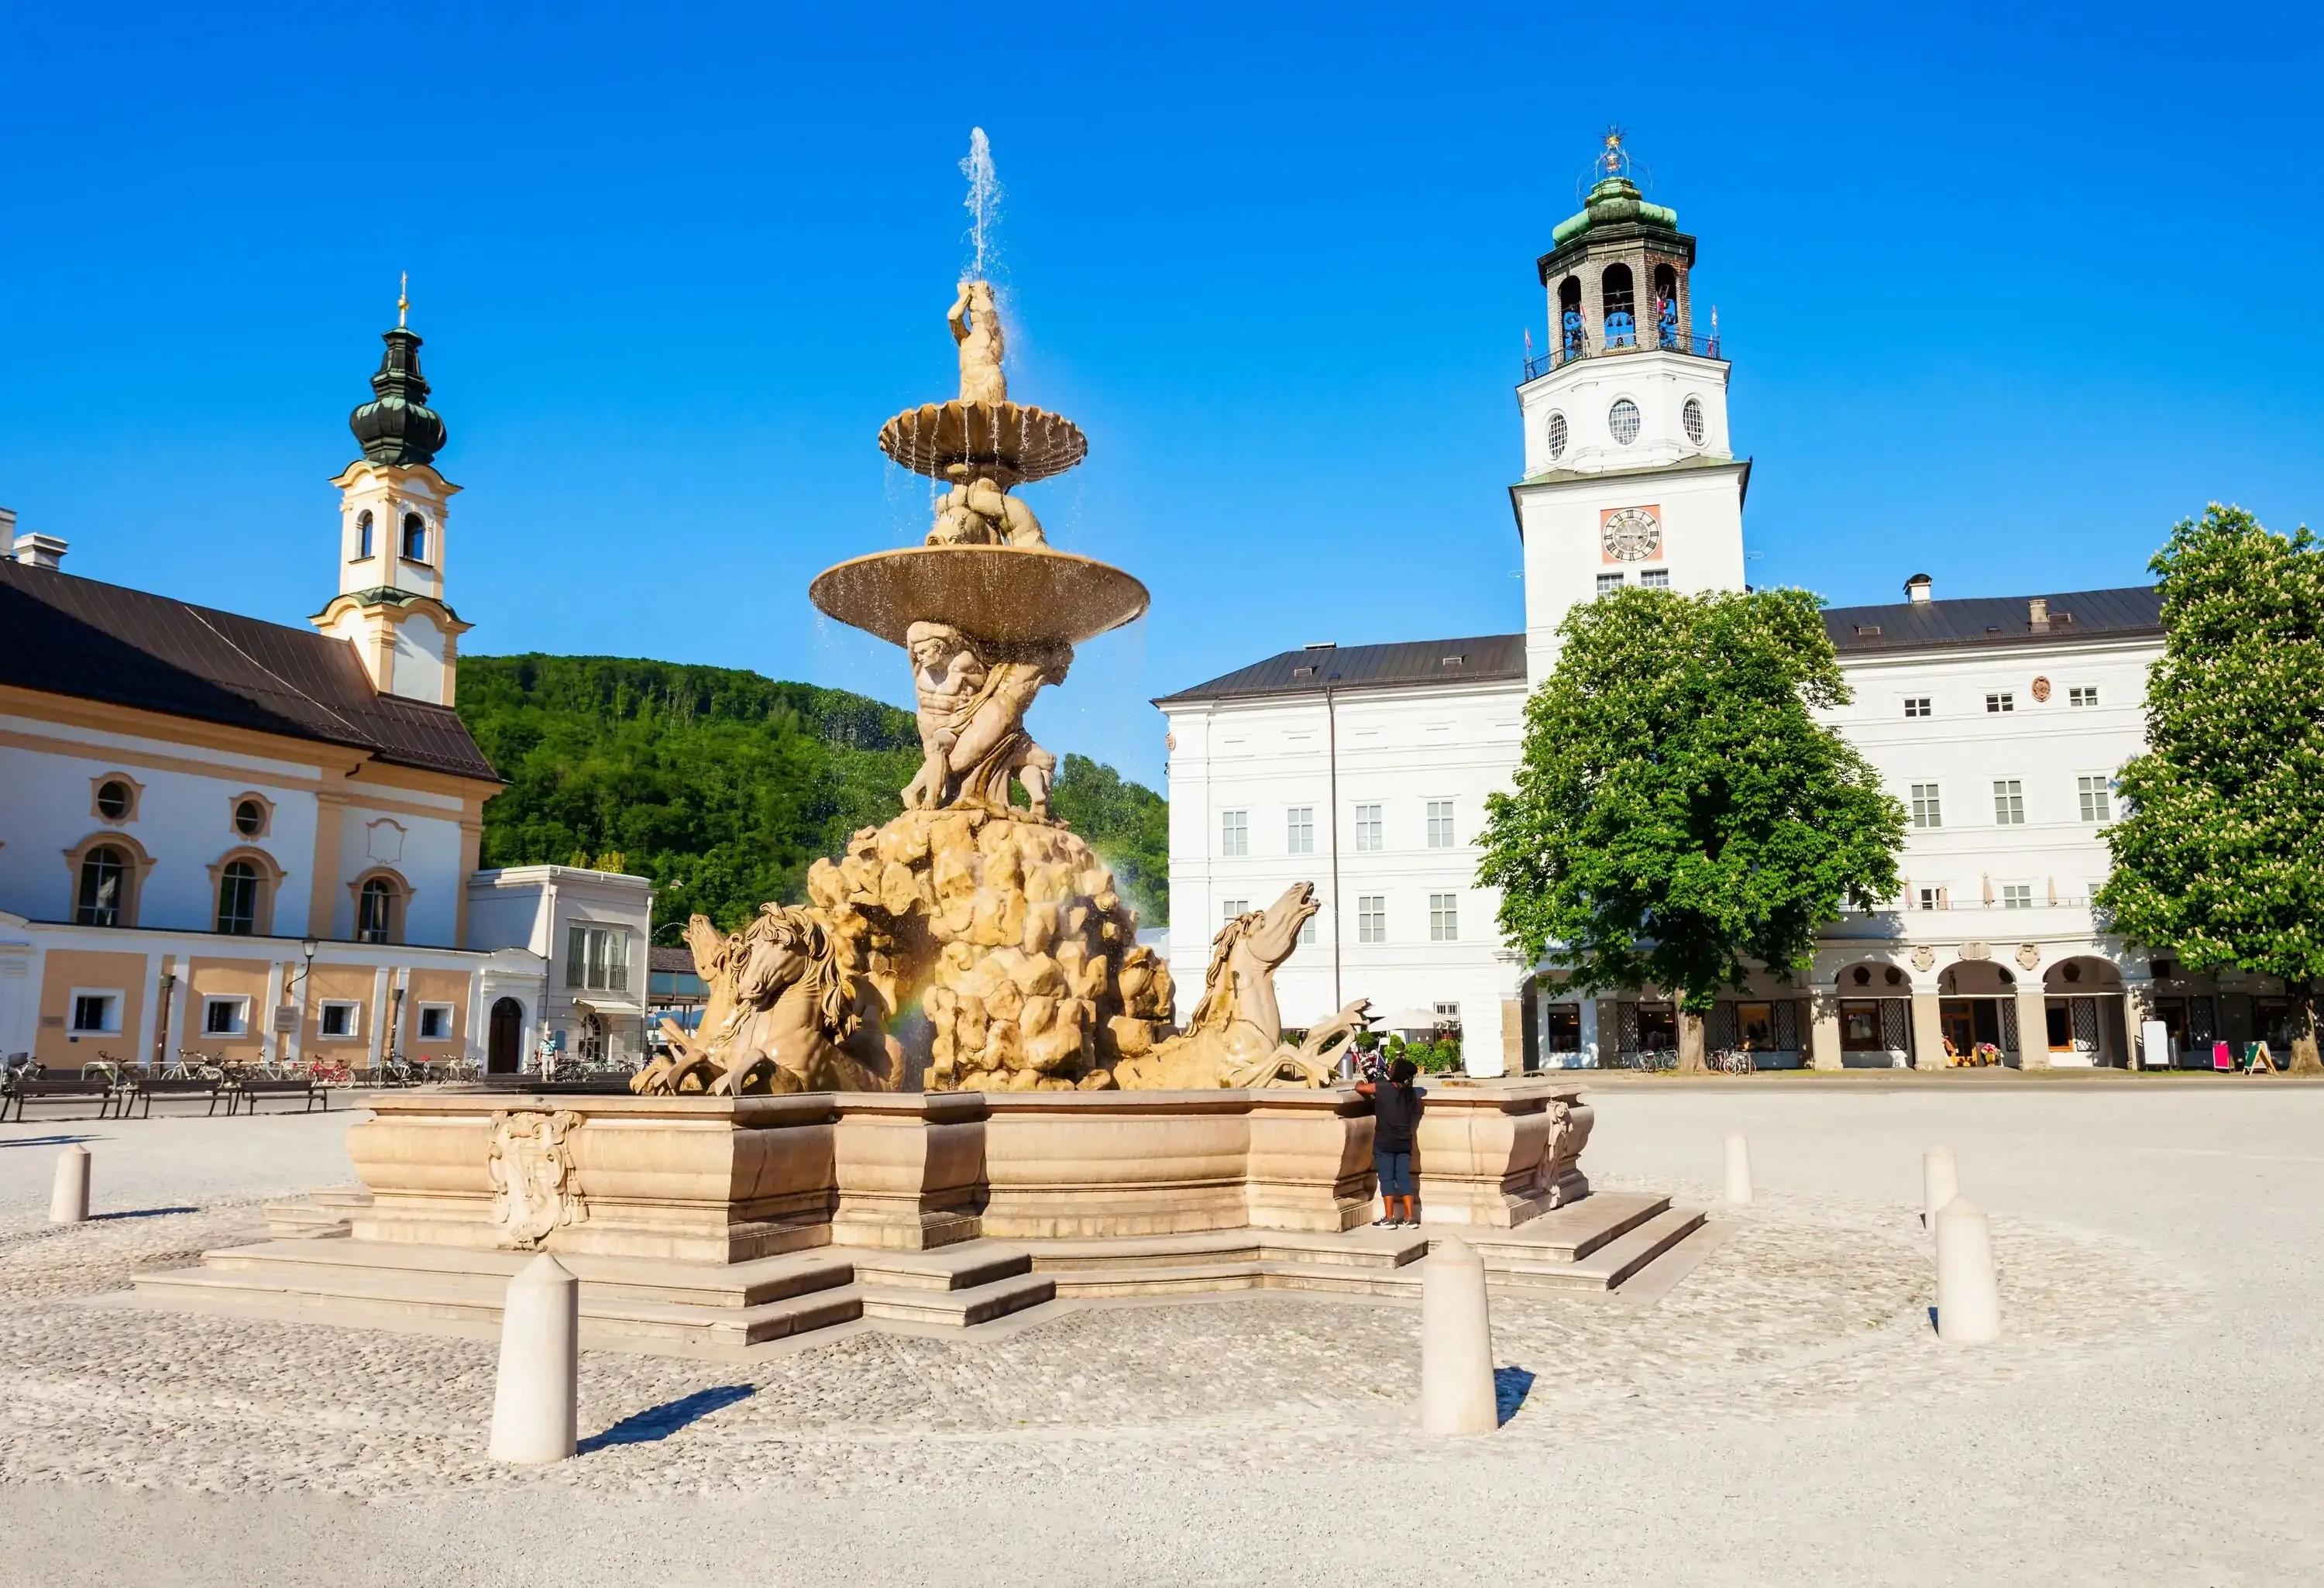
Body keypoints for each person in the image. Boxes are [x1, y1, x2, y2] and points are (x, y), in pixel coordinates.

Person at [1356, 1057, 1426, 1227]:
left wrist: (1364, 1079)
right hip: (1404, 1142)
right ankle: (1410, 1218)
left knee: (1387, 1179)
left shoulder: (1383, 1087)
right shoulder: (1410, 1094)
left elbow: (1360, 1088)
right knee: (1403, 1178)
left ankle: (1389, 1218)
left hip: (1384, 1142)